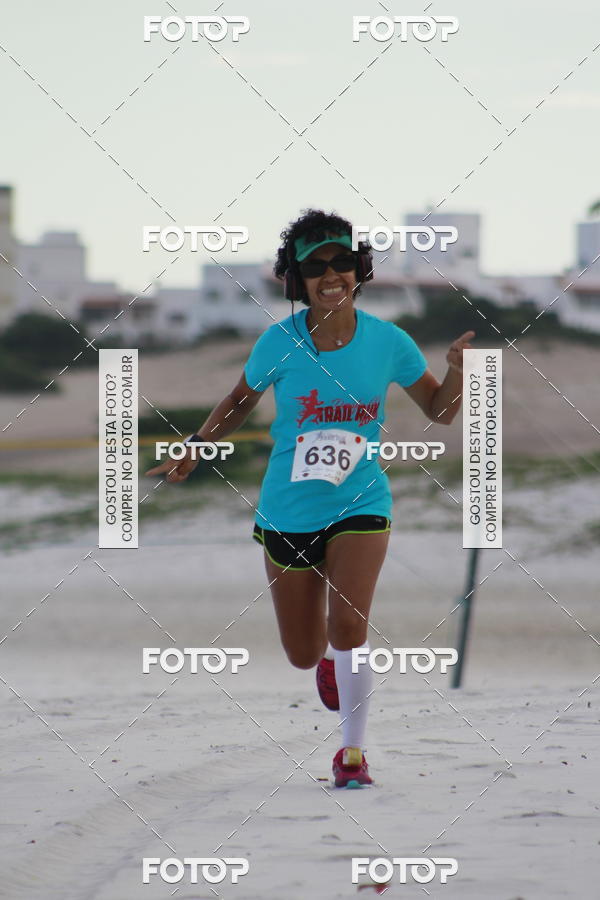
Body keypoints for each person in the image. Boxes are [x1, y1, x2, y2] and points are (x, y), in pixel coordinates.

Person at [147, 209, 474, 788]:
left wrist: (455, 374)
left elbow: (441, 411)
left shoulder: (388, 341)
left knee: (349, 624)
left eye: (342, 262)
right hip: (289, 509)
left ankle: (352, 753)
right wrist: (195, 446)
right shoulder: (279, 342)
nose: (331, 275)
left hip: (361, 501)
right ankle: (326, 661)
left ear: (359, 270)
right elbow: (240, 400)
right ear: (296, 279)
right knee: (302, 651)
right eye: (316, 266)